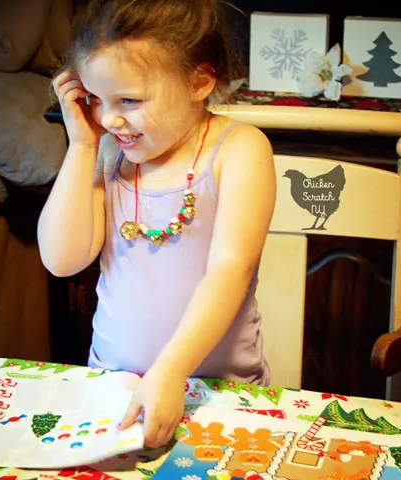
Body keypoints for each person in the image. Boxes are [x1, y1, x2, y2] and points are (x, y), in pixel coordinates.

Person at [37, 0, 276, 449]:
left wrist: (170, 371)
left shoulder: (238, 150)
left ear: (198, 82)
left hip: (220, 390)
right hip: (113, 387)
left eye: (128, 100)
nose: (109, 119)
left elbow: (230, 268)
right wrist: (82, 146)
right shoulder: (109, 152)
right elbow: (61, 260)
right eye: (95, 99)